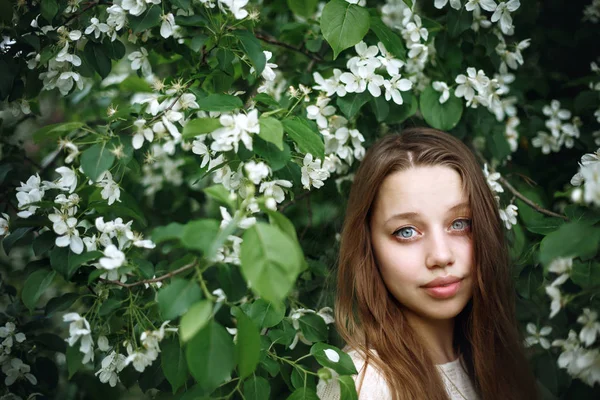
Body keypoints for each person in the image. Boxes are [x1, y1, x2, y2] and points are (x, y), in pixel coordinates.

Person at [317, 128, 539, 400]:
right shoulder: (362, 383)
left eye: (460, 224)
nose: (441, 256)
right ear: (367, 246)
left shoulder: (496, 364)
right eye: (407, 231)